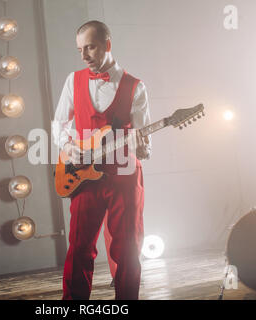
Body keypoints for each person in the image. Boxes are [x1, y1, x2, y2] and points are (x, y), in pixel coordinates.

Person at [52, 20, 152, 300]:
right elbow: (59, 124)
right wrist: (68, 146)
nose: (83, 56)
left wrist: (143, 148)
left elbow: (145, 145)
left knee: (128, 247)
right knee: (79, 246)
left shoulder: (136, 87)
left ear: (107, 45)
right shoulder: (73, 80)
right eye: (80, 49)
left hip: (124, 174)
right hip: (84, 175)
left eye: (90, 48)